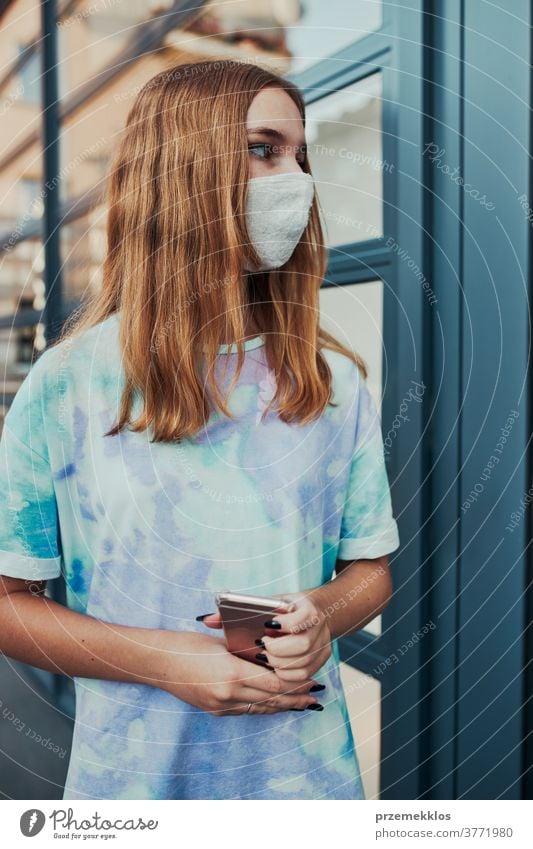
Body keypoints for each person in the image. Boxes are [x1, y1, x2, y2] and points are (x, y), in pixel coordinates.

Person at [0, 59, 400, 800]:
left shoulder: (331, 383)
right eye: (262, 148)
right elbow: (8, 601)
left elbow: (369, 569)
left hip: (310, 790)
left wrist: (321, 615)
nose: (295, 179)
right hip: (133, 793)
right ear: (183, 168)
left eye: (297, 153)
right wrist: (168, 660)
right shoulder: (67, 385)